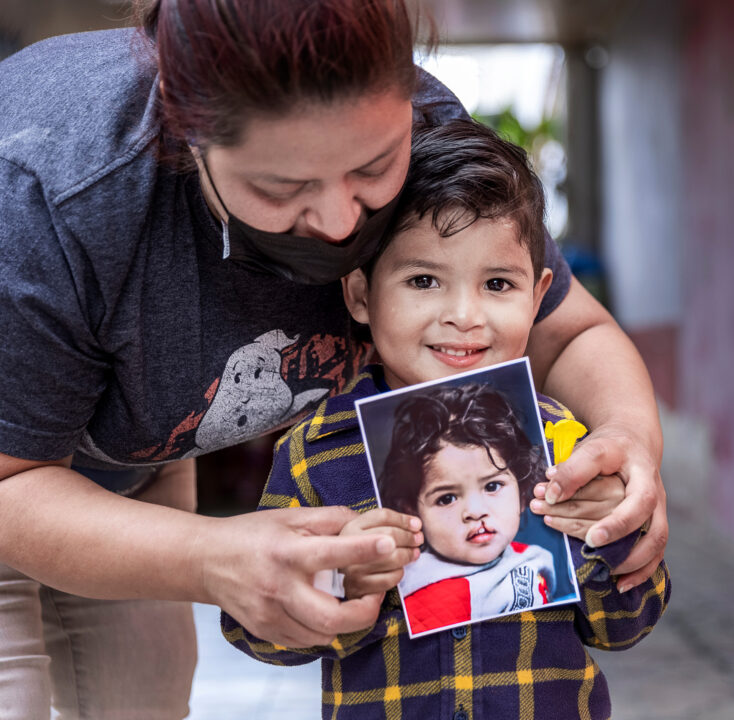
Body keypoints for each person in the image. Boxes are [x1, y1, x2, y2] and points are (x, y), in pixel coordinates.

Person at [0, 1, 666, 716]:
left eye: (373, 169)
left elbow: (565, 333)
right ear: (183, 128)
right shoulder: (49, 192)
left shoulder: (430, 134)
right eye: (282, 189)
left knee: (141, 698)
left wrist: (629, 445)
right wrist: (210, 556)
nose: (343, 223)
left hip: (134, 464)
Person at [222, 119, 670, 719]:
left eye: (497, 283)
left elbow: (629, 624)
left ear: (538, 299)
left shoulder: (569, 444)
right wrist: (334, 586)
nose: (464, 315)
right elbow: (255, 634)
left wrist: (605, 539)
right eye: (424, 280)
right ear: (360, 295)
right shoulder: (313, 452)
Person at [378, 382, 560, 633]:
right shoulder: (424, 596)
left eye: (493, 486)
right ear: (412, 513)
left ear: (521, 495)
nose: (475, 511)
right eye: (446, 498)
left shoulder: (531, 557)